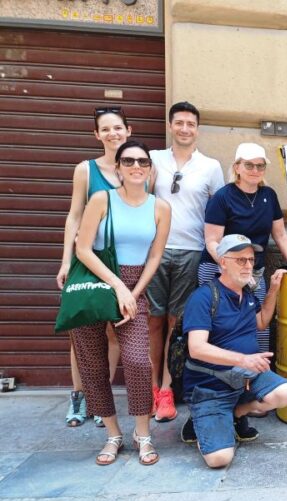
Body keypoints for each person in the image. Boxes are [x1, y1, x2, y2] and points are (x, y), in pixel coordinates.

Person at [71, 140, 171, 466]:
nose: (136, 166)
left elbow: (155, 255)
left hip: (135, 284)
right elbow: (83, 248)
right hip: (97, 281)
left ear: (150, 168)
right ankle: (112, 434)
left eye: (142, 161)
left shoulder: (160, 207)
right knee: (93, 362)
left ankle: (143, 434)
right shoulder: (102, 199)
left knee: (138, 361)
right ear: (118, 167)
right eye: (128, 160)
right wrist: (117, 286)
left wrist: (135, 291)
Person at [182, 234, 287, 468]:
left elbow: (262, 322)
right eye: (240, 260)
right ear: (223, 262)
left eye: (251, 260)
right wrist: (244, 359)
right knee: (219, 459)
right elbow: (196, 348)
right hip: (210, 387)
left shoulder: (247, 294)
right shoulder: (204, 297)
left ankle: (236, 414)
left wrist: (273, 289)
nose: (248, 266)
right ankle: (201, 419)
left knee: (285, 393)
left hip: (244, 380)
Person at [147, 101, 225, 423]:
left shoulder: (210, 166)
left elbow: (220, 210)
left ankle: (168, 388)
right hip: (154, 250)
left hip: (191, 251)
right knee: (152, 321)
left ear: (197, 129)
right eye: (178, 122)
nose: (184, 129)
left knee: (176, 323)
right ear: (170, 125)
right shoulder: (152, 159)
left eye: (190, 124)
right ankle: (151, 388)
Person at [197, 142, 287, 355]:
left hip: (254, 270)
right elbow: (212, 241)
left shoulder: (269, 196)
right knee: (222, 326)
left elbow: (280, 234)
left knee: (260, 326)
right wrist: (231, 268)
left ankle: (258, 377)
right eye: (249, 165)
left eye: (260, 166)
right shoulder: (222, 197)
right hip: (219, 269)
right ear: (237, 167)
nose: (255, 170)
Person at [59, 107, 130, 428]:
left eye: (118, 127)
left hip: (123, 261)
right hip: (88, 261)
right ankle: (79, 395)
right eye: (106, 129)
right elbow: (74, 216)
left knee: (114, 332)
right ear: (97, 135)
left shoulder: (137, 167)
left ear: (128, 131)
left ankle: (101, 397)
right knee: (82, 331)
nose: (113, 133)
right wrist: (65, 261)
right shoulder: (86, 170)